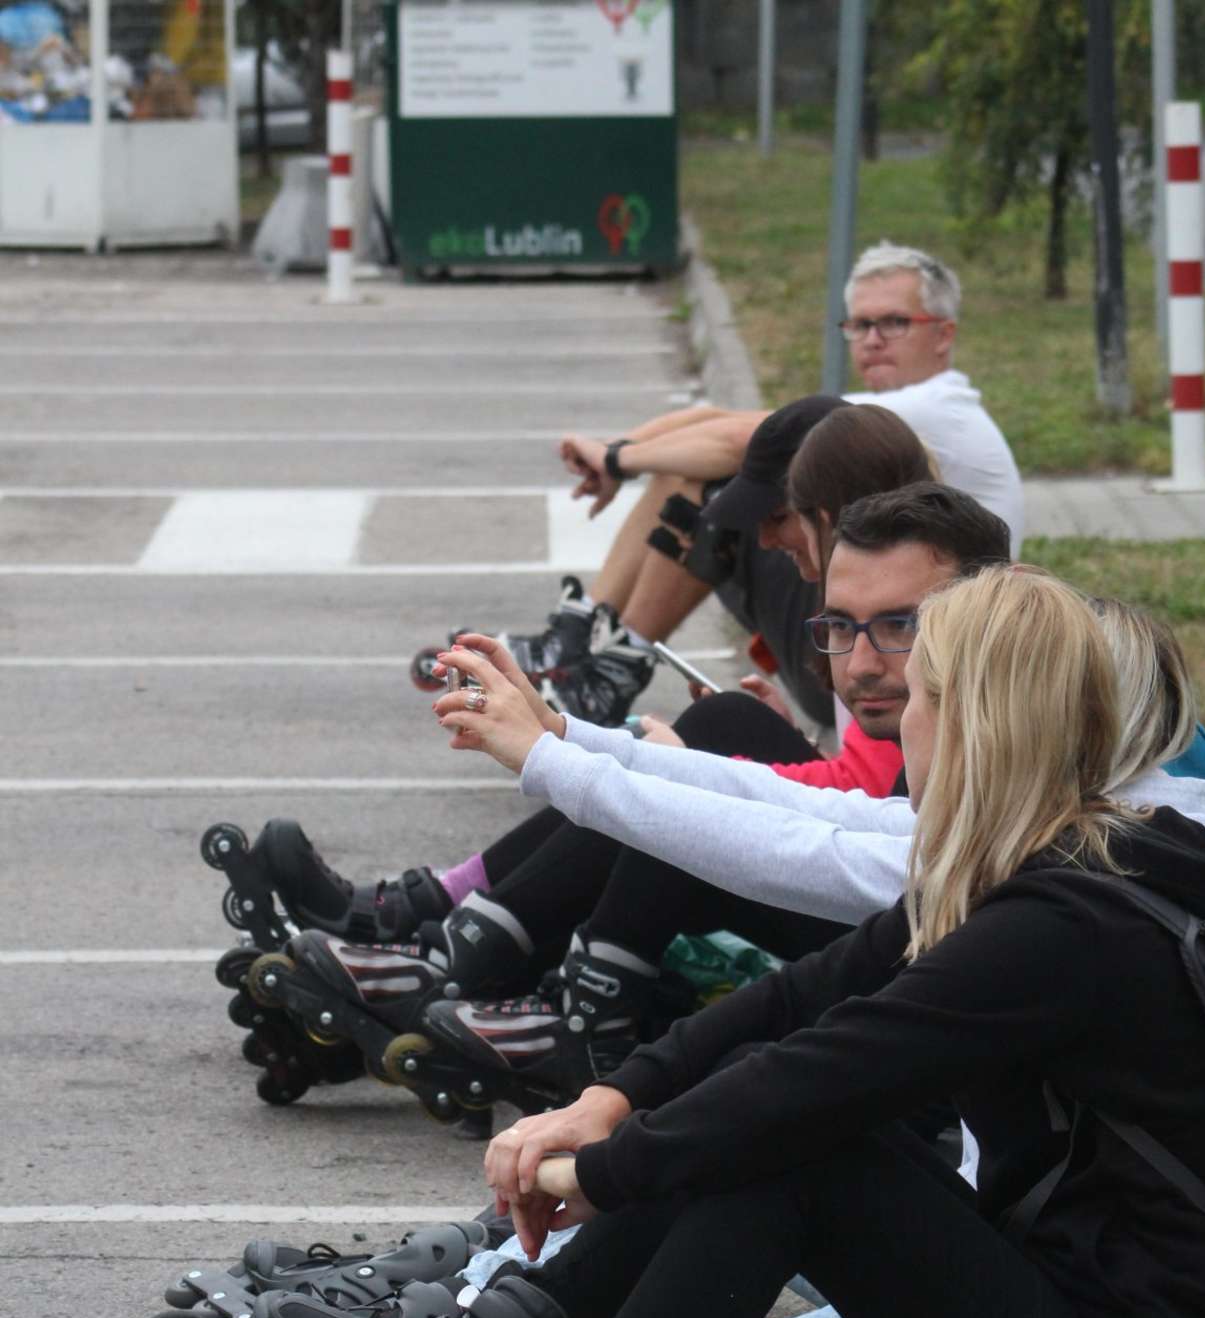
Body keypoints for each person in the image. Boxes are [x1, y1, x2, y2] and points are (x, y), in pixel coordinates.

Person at [319, 564, 1205, 1318]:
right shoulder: (1064, 867)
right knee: (790, 1135)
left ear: (969, 718)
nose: (899, 711)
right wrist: (613, 1098)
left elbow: (823, 1077)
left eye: (920, 691)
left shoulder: (1062, 930)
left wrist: (602, 1174)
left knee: (814, 1155)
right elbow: (801, 1001)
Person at [223, 419, 943, 1104]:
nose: (764, 536)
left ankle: (522, 986)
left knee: (691, 812)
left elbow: (833, 848)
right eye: (844, 628)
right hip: (882, 918)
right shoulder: (924, 649)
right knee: (709, 760)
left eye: (783, 517)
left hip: (909, 976)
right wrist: (564, 734)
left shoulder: (955, 684)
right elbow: (855, 813)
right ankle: (467, 943)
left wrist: (570, 758)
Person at [505, 242, 1022, 723]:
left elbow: (736, 440)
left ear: (945, 334)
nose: (873, 339)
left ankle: (611, 665)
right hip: (886, 635)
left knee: (702, 490)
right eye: (860, 325)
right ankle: (584, 641)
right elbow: (715, 417)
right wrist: (618, 453)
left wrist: (618, 461)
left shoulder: (935, 409)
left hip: (907, 653)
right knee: (690, 471)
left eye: (894, 322)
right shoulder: (896, 408)